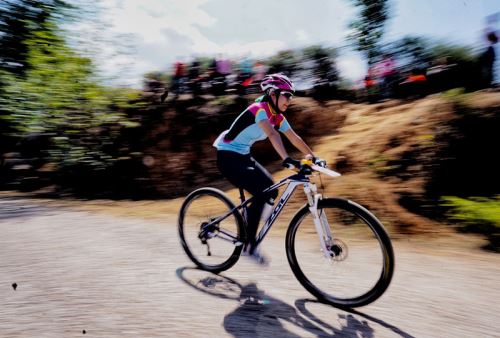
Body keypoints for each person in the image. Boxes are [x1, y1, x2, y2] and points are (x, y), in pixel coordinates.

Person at [213, 73, 323, 264]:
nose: (290, 99)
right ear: (273, 93)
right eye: (286, 95)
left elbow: (294, 137)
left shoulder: (277, 117)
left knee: (271, 188)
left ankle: (249, 221)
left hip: (243, 156)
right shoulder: (259, 109)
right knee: (261, 193)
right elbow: (272, 134)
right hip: (227, 156)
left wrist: (314, 157)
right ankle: (249, 244)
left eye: (291, 96)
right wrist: (287, 159)